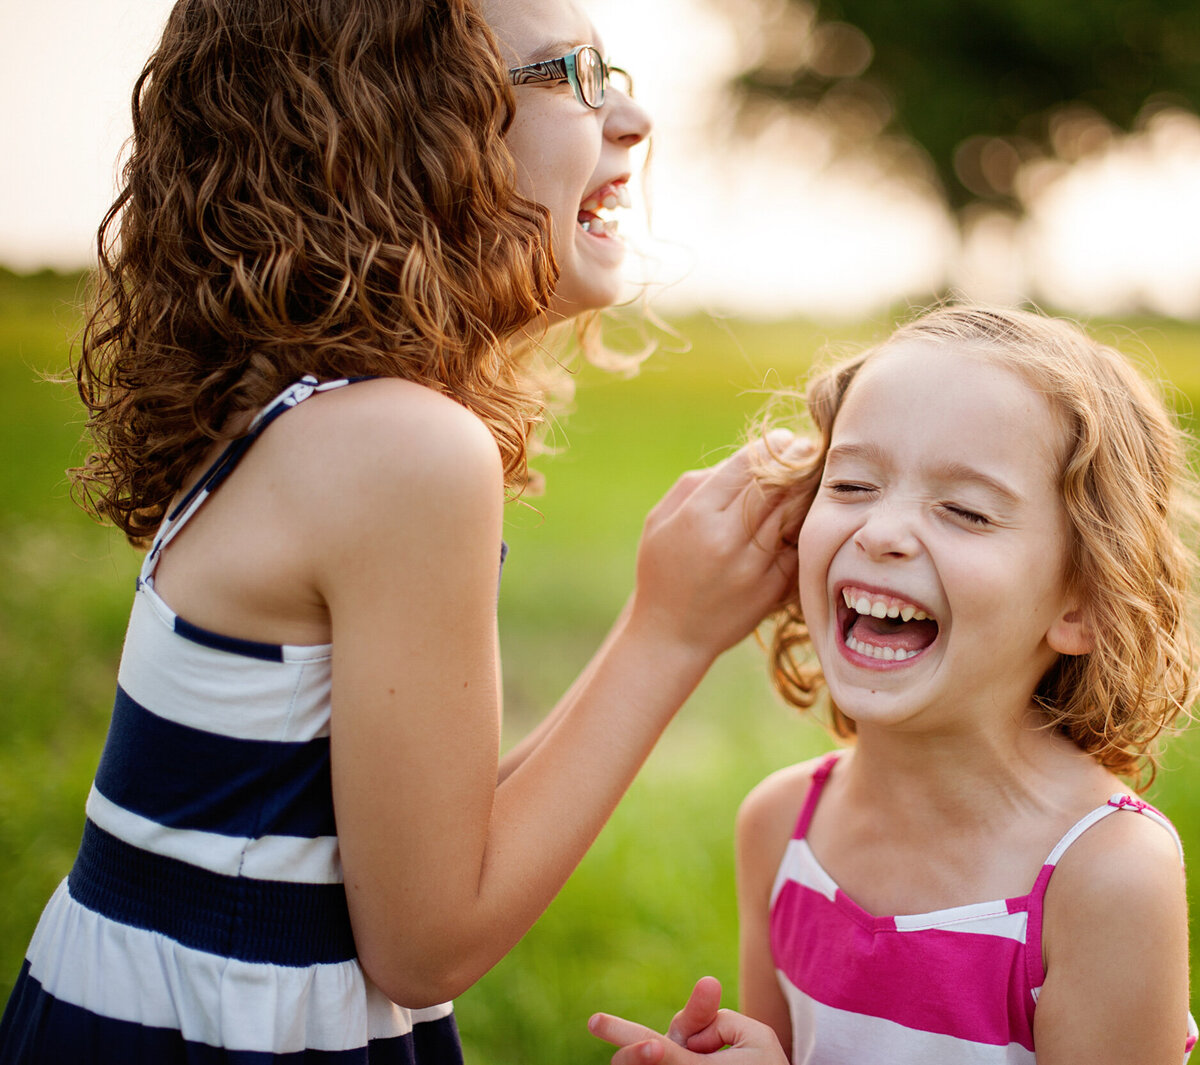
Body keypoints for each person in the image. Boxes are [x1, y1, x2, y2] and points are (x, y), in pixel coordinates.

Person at [0, 0, 797, 1061]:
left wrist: (662, 615)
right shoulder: (402, 449)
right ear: (402, 133)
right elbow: (424, 943)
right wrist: (671, 632)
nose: (634, 117)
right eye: (574, 76)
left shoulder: (302, 411)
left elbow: (406, 838)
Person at [590, 305, 1200, 1064]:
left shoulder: (1103, 876)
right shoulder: (780, 828)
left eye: (965, 511)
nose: (880, 532)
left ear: (1083, 603)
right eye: (852, 484)